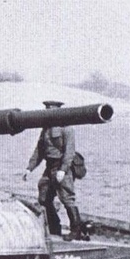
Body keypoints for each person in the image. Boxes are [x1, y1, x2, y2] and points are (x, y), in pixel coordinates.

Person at [23, 101, 84, 241]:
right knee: (44, 197)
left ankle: (76, 230)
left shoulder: (66, 129)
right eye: (46, 109)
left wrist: (63, 170)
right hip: (49, 167)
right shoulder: (46, 129)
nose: (47, 111)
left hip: (61, 166)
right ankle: (54, 226)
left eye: (50, 109)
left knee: (67, 198)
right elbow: (39, 150)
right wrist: (29, 168)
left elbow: (69, 151)